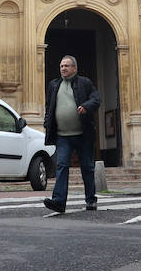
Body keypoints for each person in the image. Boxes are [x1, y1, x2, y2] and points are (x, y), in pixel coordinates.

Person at [42, 55, 101, 213]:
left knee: (87, 168)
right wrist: (47, 122)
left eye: (67, 66)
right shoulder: (54, 85)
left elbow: (97, 99)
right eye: (61, 66)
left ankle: (91, 200)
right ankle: (59, 202)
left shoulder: (85, 83)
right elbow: (49, 106)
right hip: (62, 136)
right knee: (61, 167)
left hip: (83, 134)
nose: (63, 68)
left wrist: (86, 106)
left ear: (75, 68)